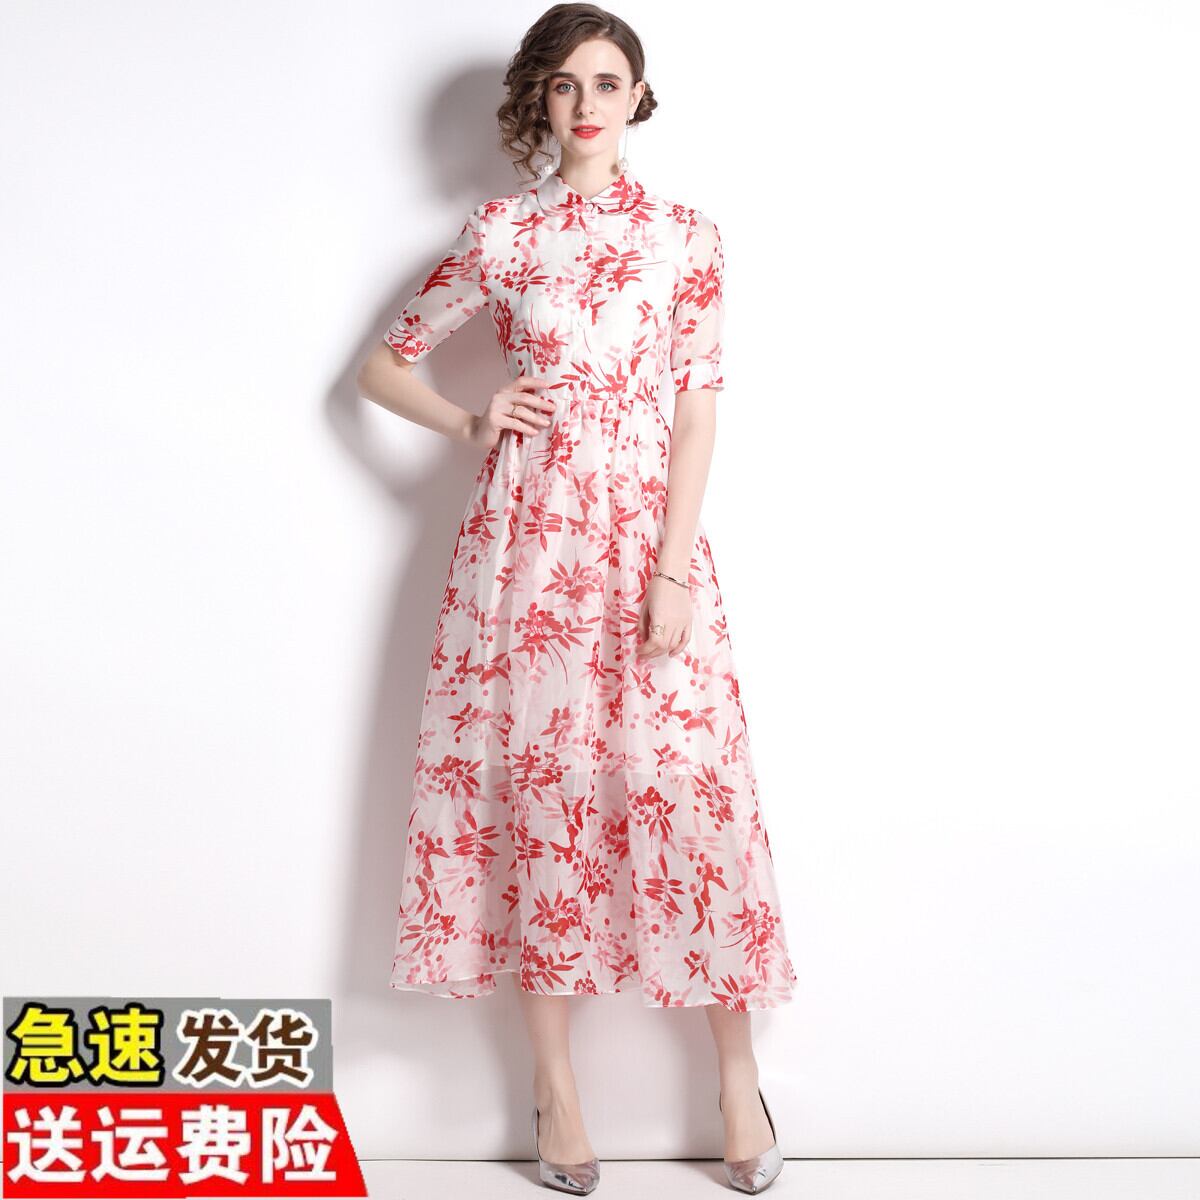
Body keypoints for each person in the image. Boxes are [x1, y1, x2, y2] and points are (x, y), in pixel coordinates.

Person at [356, 5, 795, 1193]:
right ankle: (556, 1091)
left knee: (691, 793)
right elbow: (381, 366)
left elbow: (697, 411)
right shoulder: (502, 233)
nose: (587, 103)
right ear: (538, 101)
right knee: (543, 795)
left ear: (639, 95)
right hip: (527, 548)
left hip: (648, 540)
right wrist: (470, 420)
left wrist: (670, 569)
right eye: (564, 84)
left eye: (608, 81)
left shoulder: (687, 236)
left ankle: (738, 1078)